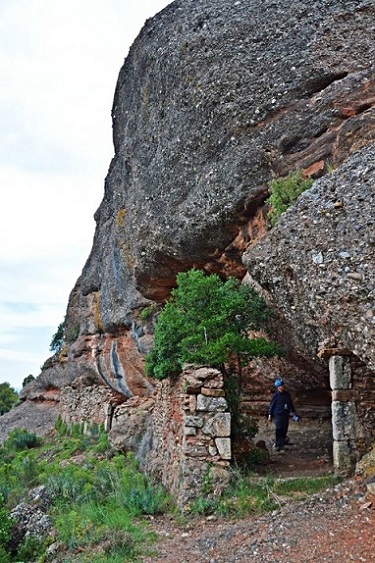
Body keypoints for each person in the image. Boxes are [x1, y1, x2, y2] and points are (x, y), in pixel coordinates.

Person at [268, 378, 298, 451]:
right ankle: (278, 445)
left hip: (285, 414)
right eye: (281, 385)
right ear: (278, 387)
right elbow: (272, 405)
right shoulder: (276, 396)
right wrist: (270, 415)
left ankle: (281, 445)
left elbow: (290, 403)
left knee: (284, 429)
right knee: (279, 429)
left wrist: (293, 412)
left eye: (283, 384)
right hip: (278, 415)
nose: (283, 386)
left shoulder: (286, 394)